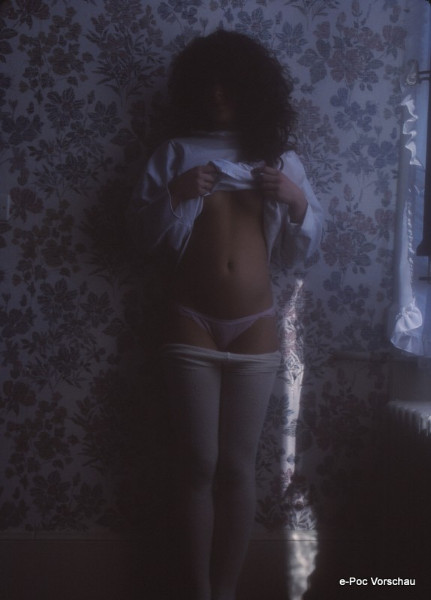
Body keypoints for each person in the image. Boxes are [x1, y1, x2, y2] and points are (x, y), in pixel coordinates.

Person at [128, 29, 323, 600]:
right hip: (190, 322)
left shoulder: (280, 161)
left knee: (237, 467)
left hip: (256, 326)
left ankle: (227, 590)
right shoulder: (175, 153)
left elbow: (303, 252)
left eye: (230, 83)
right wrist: (174, 192)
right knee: (198, 465)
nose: (217, 94)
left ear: (252, 89)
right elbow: (137, 239)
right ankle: (198, 591)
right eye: (208, 83)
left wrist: (295, 199)